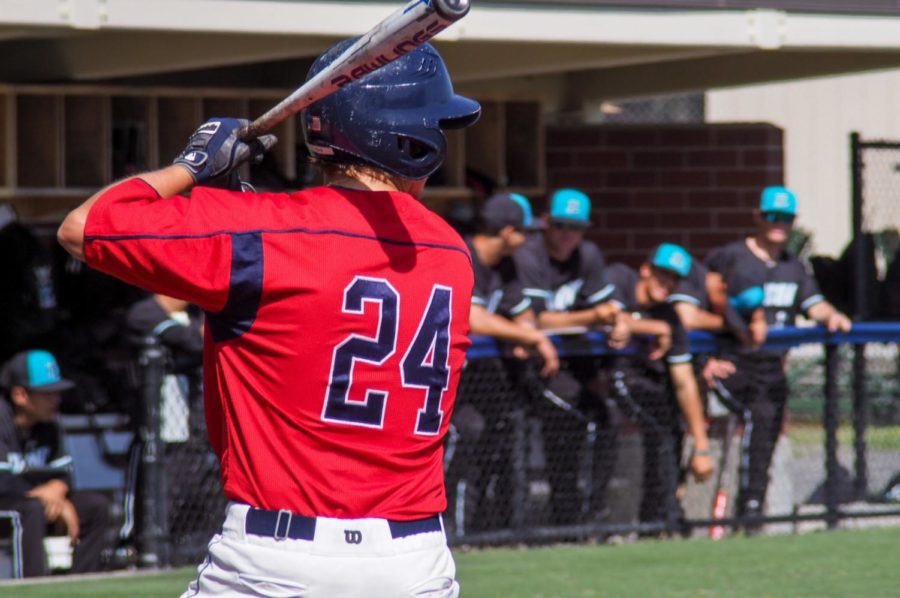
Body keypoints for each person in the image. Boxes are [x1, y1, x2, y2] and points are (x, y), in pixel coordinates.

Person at [58, 39, 480, 597]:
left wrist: (192, 168)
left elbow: (84, 227)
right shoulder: (451, 251)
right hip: (416, 561)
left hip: (277, 560)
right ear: (411, 141)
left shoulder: (258, 229)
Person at [704, 186, 852, 526]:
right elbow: (701, 303)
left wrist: (833, 316)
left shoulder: (794, 267)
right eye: (773, 216)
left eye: (786, 219)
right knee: (753, 422)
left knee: (765, 433)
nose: (779, 224)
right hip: (734, 362)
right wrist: (705, 360)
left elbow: (813, 304)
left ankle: (751, 511)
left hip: (772, 369)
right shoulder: (730, 257)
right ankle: (737, 512)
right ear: (758, 216)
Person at [512, 188, 628, 526]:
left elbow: (607, 305)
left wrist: (618, 320)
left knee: (606, 422)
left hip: (573, 368)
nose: (568, 235)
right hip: (531, 367)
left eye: (576, 227)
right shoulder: (529, 255)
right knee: (571, 423)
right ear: (546, 222)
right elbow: (535, 320)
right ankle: (565, 517)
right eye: (561, 225)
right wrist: (592, 318)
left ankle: (593, 517)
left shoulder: (587, 254)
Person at [448, 192, 558, 534]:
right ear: (508, 231)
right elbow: (474, 318)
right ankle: (444, 527)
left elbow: (522, 313)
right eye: (525, 232)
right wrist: (531, 338)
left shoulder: (505, 264)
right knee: (459, 439)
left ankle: (468, 530)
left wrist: (522, 331)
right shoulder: (462, 254)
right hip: (438, 380)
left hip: (474, 380)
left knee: (488, 433)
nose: (528, 240)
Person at [604, 244, 714, 532]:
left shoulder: (669, 316)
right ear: (646, 270)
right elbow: (607, 315)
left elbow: (684, 382)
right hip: (600, 379)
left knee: (670, 427)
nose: (667, 284)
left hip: (646, 386)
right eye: (662, 275)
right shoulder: (619, 279)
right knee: (657, 428)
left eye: (674, 279)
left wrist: (701, 446)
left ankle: (657, 520)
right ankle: (652, 518)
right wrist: (653, 328)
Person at [0, 350, 111, 576]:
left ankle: (80, 585)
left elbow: (65, 473)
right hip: (12, 504)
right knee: (30, 510)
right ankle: (32, 587)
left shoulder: (49, 424)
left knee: (95, 506)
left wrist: (57, 490)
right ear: (20, 395)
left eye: (57, 392)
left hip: (33, 501)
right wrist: (45, 494)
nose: (56, 400)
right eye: (47, 393)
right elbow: (3, 482)